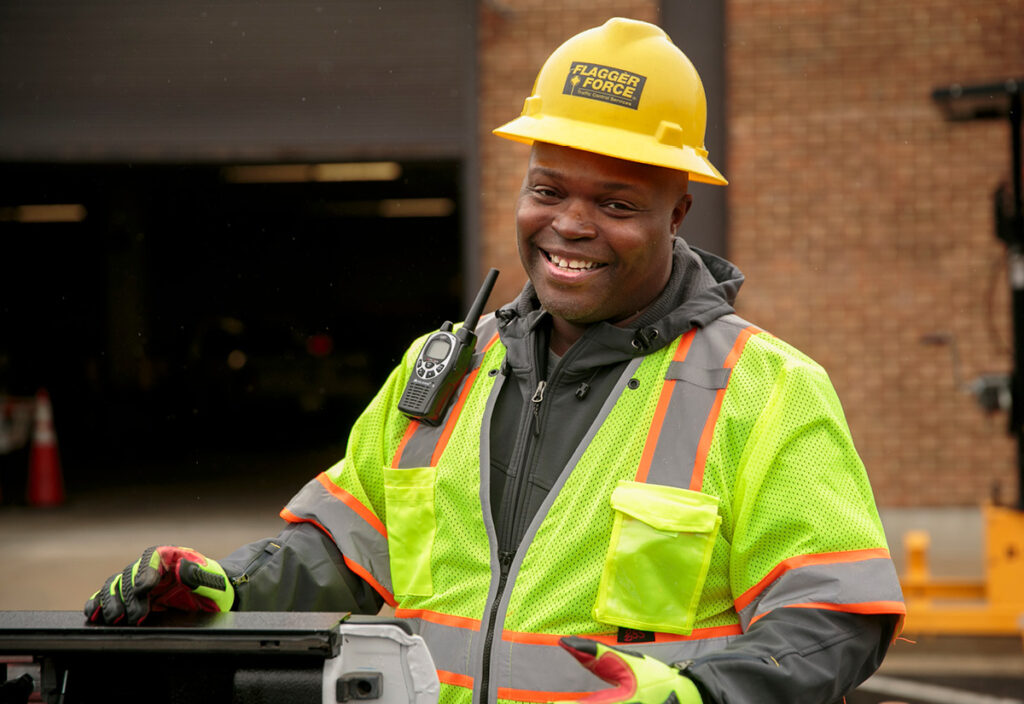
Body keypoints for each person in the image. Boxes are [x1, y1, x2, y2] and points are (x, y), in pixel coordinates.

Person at [85, 17, 905, 704]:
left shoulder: (764, 390)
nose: (570, 225)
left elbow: (834, 617)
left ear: (677, 211)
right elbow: (346, 547)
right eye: (548, 191)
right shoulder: (443, 369)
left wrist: (702, 694)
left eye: (616, 203)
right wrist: (228, 589)